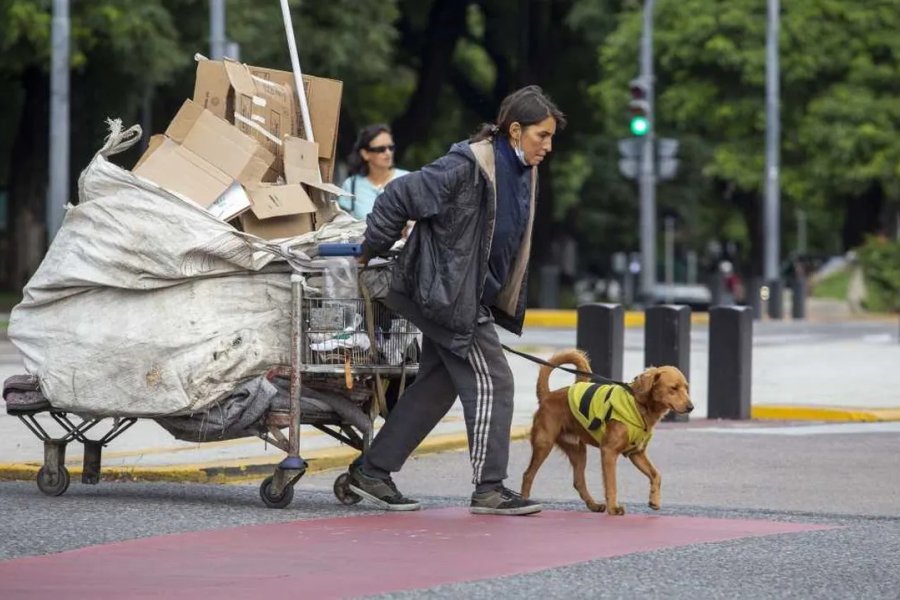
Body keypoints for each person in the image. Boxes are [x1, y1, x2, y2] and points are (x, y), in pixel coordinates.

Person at [345, 85, 566, 516]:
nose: (548, 146)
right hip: (445, 295)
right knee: (495, 381)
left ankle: (371, 471)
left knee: (437, 385)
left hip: (463, 294)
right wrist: (373, 248)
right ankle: (489, 488)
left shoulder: (521, 169)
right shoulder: (467, 165)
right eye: (543, 135)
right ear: (515, 130)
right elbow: (399, 195)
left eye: (551, 137)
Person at [339, 124, 409, 220]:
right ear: (365, 154)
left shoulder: (407, 180)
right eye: (381, 149)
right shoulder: (351, 185)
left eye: (391, 148)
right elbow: (342, 222)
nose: (388, 153)